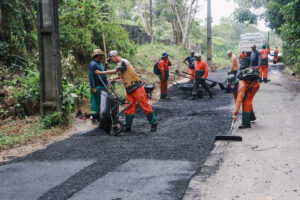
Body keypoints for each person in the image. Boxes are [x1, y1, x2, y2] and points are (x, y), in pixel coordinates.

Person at [96, 50, 158, 132]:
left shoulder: (123, 62)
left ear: (114, 56)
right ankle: (127, 126)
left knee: (145, 106)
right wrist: (112, 78)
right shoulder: (120, 65)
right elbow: (120, 75)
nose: (111, 61)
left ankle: (154, 123)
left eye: (111, 59)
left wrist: (101, 72)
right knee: (129, 108)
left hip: (137, 88)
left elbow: (114, 71)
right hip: (129, 90)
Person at [89, 49, 108, 123]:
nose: (102, 57)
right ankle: (94, 118)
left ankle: (98, 117)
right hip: (96, 86)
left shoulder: (99, 64)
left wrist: (105, 68)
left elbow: (102, 73)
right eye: (101, 56)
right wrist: (93, 87)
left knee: (101, 102)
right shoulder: (93, 64)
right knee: (95, 102)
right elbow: (91, 76)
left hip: (102, 86)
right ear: (98, 56)